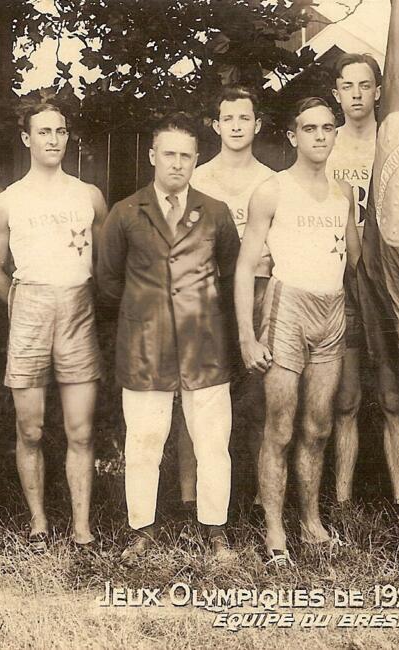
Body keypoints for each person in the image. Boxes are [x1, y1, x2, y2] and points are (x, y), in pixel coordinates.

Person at [96, 112, 241, 562]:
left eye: (186, 155)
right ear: (153, 156)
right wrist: (148, 313)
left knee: (213, 443)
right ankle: (142, 529)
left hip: (205, 345)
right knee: (143, 442)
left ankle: (215, 529)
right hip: (145, 347)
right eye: (169, 154)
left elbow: (232, 272)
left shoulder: (215, 212)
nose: (177, 163)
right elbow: (107, 281)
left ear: (197, 158)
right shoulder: (125, 212)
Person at [235, 97, 361, 566]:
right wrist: (249, 336)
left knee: (319, 425)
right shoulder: (272, 191)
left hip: (331, 309)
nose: (320, 136)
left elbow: (355, 260)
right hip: (287, 308)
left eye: (328, 128)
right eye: (310, 128)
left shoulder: (343, 192)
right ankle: (274, 532)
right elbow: (245, 267)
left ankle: (311, 524)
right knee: (281, 427)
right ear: (292, 136)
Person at [0, 102, 107, 552]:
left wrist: (84, 299)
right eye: (43, 131)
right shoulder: (8, 201)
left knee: (81, 429)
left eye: (60, 130)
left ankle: (81, 527)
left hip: (77, 309)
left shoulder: (88, 194)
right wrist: (21, 305)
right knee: (30, 428)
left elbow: (107, 262)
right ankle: (38, 523)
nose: (53, 139)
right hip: (30, 308)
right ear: (26, 138)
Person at [174, 87, 276, 514]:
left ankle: (256, 493)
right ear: (216, 126)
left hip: (256, 290)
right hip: (208, 296)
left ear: (257, 124)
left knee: (258, 398)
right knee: (195, 397)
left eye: (244, 118)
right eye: (228, 118)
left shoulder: (271, 180)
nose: (236, 126)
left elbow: (275, 246)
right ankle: (188, 495)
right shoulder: (199, 178)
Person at [325, 52, 399, 507]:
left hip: (387, 284)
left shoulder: (394, 144)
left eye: (364, 85)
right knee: (346, 398)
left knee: (395, 399)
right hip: (339, 283)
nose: (356, 95)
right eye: (347, 86)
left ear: (378, 91)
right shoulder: (325, 142)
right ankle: (341, 501)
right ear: (337, 93)